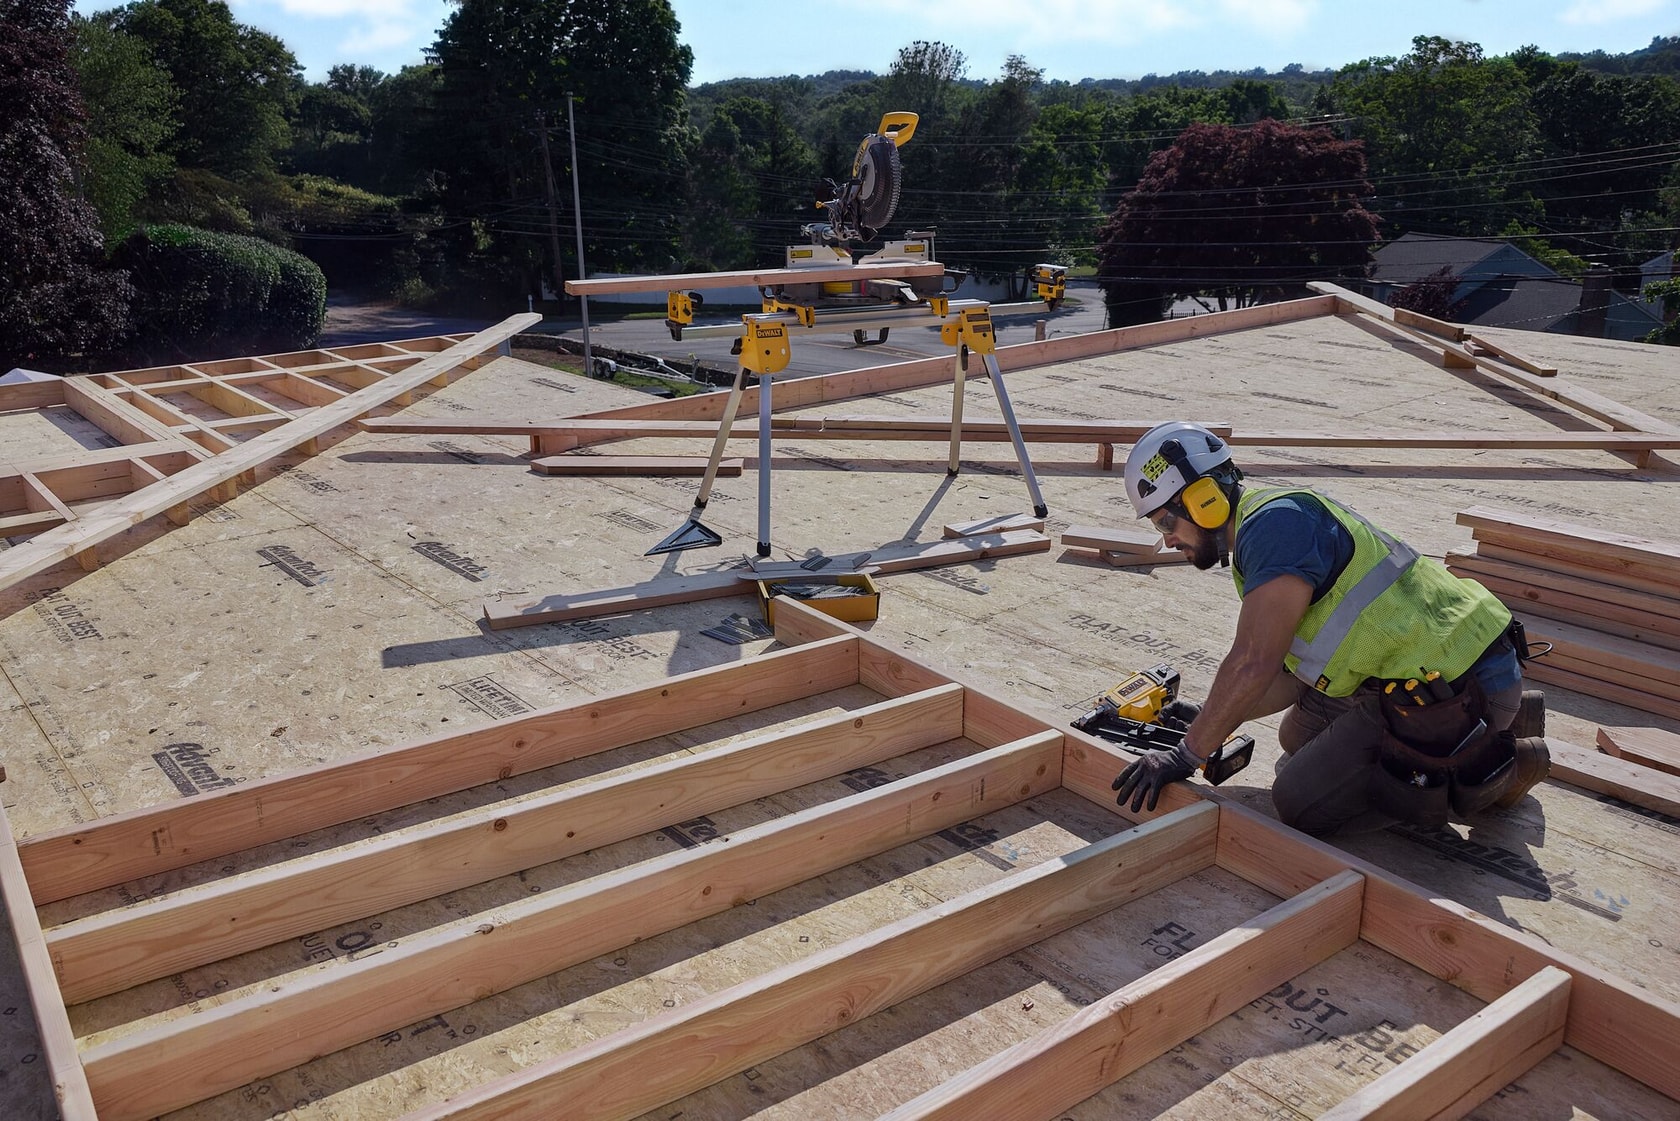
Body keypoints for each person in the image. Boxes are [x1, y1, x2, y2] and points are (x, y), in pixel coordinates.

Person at [1110, 421, 1549, 835]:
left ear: (1205, 499)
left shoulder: (1274, 528)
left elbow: (1253, 662)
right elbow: (1285, 673)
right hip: (1428, 677)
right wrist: (1211, 720)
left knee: (1301, 804)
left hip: (1451, 689)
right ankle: (1507, 716)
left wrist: (1185, 755)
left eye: (1166, 521)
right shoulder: (1265, 525)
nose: (1167, 539)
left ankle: (1496, 762)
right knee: (1296, 735)